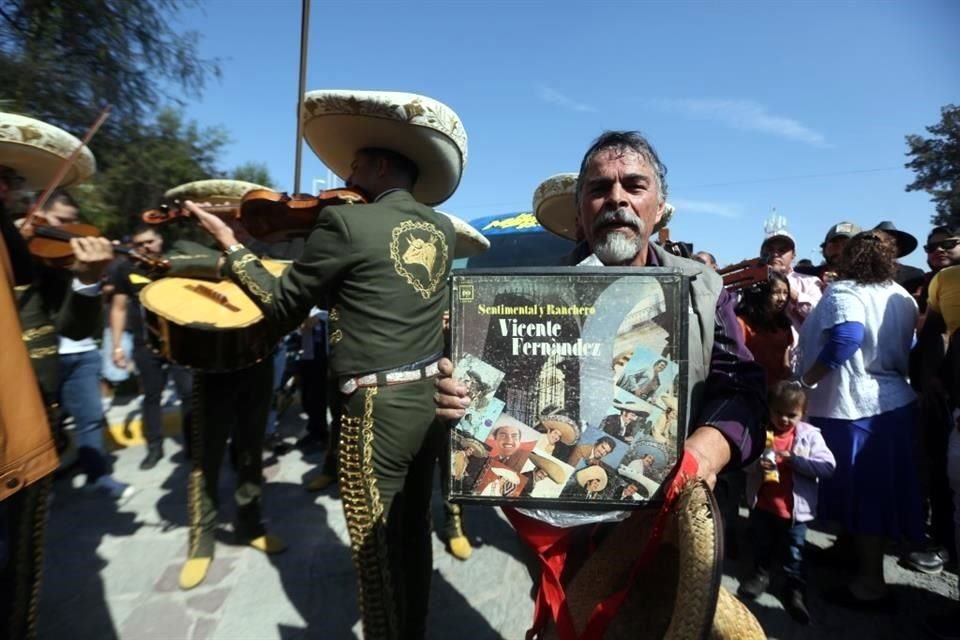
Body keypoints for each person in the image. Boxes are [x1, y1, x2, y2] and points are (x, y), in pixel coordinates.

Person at [437, 130, 766, 636]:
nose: (616, 198)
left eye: (634, 185)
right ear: (580, 213)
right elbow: (495, 403)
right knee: (567, 621)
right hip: (556, 522)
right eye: (599, 188)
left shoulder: (702, 289)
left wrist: (701, 457)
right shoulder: (525, 297)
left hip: (665, 518)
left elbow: (741, 389)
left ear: (658, 208)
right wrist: (465, 402)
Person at [187, 89, 465, 639]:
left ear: (381, 164)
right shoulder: (439, 228)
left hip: (375, 411)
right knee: (414, 534)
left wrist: (233, 247)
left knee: (374, 544)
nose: (347, 173)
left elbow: (283, 303)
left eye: (356, 164)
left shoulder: (343, 226)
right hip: (428, 401)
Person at [0, 111, 112, 640]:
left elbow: (60, 325)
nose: (17, 198)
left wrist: (89, 281)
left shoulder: (33, 261)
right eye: (6, 185)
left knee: (15, 573)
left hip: (25, 425)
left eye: (15, 184)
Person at [797, 230, 922, 609]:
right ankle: (848, 552)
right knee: (868, 491)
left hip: (855, 408)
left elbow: (847, 337)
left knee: (867, 495)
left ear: (849, 258)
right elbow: (910, 346)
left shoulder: (844, 292)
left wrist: (805, 382)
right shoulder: (900, 296)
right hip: (893, 403)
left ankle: (870, 585)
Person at [36, 191, 134, 500]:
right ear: (37, 216)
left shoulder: (69, 262)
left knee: (90, 417)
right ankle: (37, 489)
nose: (67, 233)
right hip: (38, 361)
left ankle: (98, 474)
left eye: (73, 223)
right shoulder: (22, 257)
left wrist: (88, 277)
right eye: (60, 223)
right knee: (39, 431)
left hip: (80, 353)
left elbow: (79, 322)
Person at [739, 381, 836, 625]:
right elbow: (744, 462)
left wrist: (797, 461)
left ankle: (794, 587)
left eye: (791, 415)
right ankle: (761, 576)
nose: (783, 419)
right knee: (762, 544)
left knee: (794, 552)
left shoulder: (810, 437)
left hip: (795, 513)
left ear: (802, 414)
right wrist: (755, 466)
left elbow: (828, 467)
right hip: (764, 506)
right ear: (769, 409)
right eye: (778, 412)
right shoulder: (762, 434)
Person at [110, 225, 193, 469]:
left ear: (159, 240)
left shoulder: (177, 265)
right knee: (151, 397)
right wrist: (116, 346)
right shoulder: (125, 269)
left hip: (179, 342)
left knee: (188, 394)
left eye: (149, 241)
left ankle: (193, 447)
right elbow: (118, 307)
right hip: (145, 343)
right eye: (139, 244)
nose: (145, 247)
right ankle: (154, 448)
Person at [735, 269, 796, 385]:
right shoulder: (741, 323)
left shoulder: (783, 324)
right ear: (761, 293)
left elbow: (785, 361)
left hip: (777, 391)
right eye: (776, 292)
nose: (782, 298)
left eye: (785, 293)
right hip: (750, 389)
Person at [760, 228, 822, 331]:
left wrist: (790, 292)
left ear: (793, 255)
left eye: (782, 250)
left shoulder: (810, 282)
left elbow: (820, 317)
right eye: (770, 250)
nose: (775, 254)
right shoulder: (750, 284)